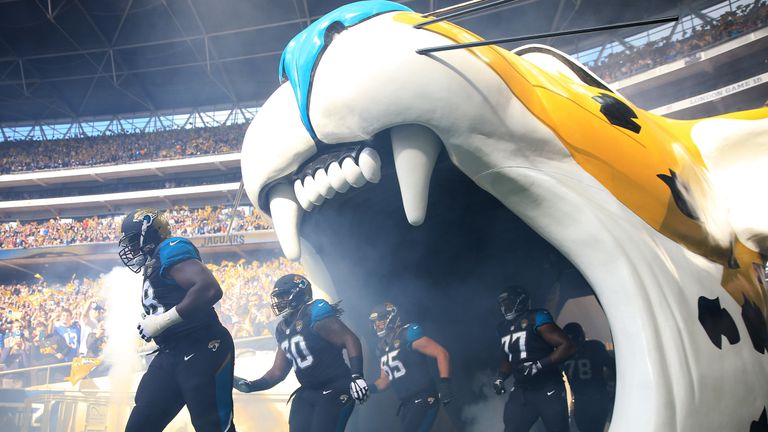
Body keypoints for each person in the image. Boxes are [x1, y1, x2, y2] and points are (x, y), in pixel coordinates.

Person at [118, 208, 236, 432]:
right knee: (140, 425)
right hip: (171, 353)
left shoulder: (171, 248)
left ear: (151, 232)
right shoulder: (154, 261)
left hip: (202, 345)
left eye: (134, 240)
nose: (131, 248)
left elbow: (209, 288)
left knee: (212, 426)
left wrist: (162, 321)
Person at [232, 274, 368, 432]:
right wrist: (252, 385)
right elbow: (278, 372)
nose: (280, 300)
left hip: (335, 386)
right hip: (308, 391)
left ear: (299, 293)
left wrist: (357, 375)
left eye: (283, 295)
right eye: (278, 296)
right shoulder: (283, 328)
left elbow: (349, 339)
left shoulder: (314, 314)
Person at [492, 286, 575, 432]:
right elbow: (508, 357)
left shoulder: (537, 317)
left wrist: (538, 365)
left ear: (522, 301)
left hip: (548, 388)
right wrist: (500, 378)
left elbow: (567, 346)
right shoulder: (502, 327)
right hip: (522, 390)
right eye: (503, 304)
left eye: (509, 302)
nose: (505, 307)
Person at [367, 302, 453, 431]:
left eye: (381, 319)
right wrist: (368, 389)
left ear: (392, 317)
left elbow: (441, 353)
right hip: (407, 404)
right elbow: (384, 380)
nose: (377, 324)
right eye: (375, 321)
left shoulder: (407, 334)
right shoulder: (381, 347)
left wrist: (445, 384)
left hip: (424, 397)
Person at [562, 322, 615, 432]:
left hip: (582, 401)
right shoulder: (594, 346)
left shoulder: (563, 354)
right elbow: (612, 366)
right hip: (599, 399)